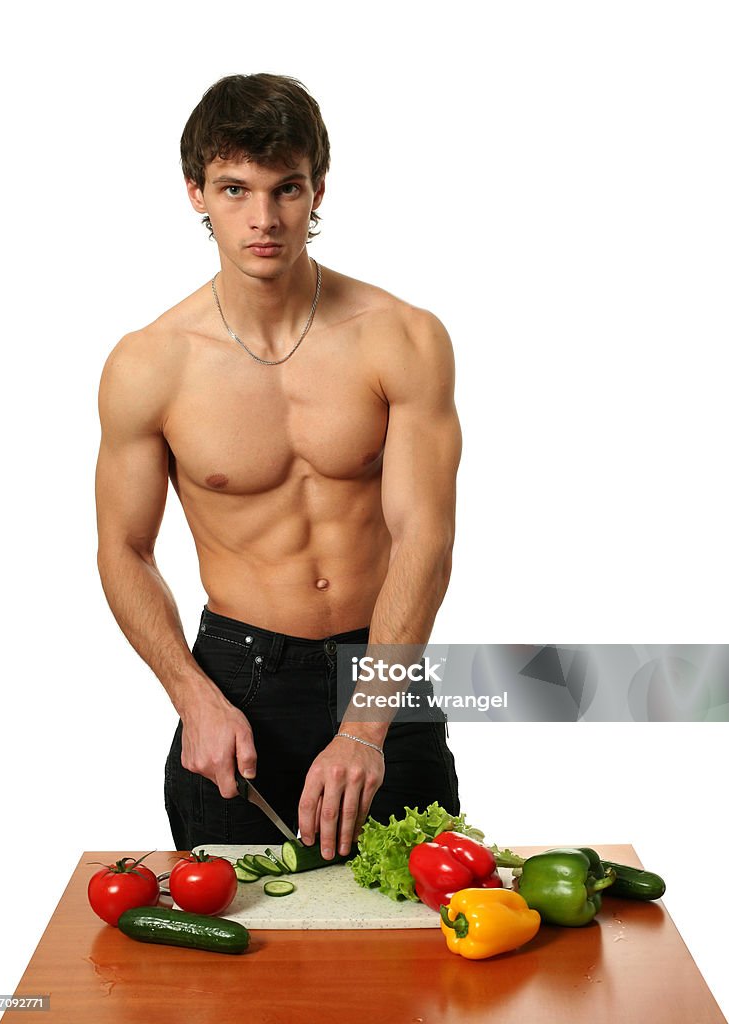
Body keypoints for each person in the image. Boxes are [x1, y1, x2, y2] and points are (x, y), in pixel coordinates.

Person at [95, 73, 461, 860]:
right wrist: (192, 696)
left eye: (285, 189)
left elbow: (423, 534)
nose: (263, 219)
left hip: (382, 672)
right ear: (195, 192)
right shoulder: (149, 364)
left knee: (417, 950)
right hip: (236, 678)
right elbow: (122, 549)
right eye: (234, 189)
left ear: (316, 188)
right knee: (239, 953)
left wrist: (365, 727)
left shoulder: (400, 337)